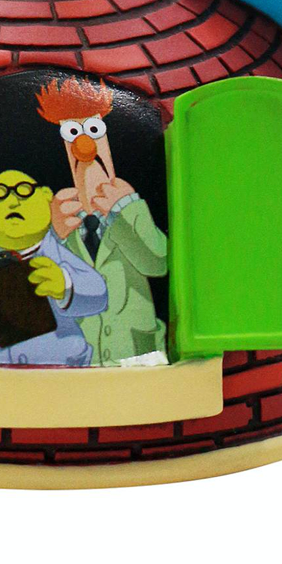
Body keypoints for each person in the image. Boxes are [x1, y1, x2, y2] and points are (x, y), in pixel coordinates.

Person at [36, 77, 168, 366]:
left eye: (93, 130)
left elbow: (157, 262)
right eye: (72, 133)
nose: (84, 146)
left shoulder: (131, 209)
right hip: (79, 359)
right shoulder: (59, 219)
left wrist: (126, 211)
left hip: (137, 354)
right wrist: (53, 237)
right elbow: (37, 291)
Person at [0, 168, 107, 366]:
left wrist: (66, 286)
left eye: (25, 190)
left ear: (46, 196)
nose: (13, 201)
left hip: (59, 364)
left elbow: (99, 295)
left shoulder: (58, 258)